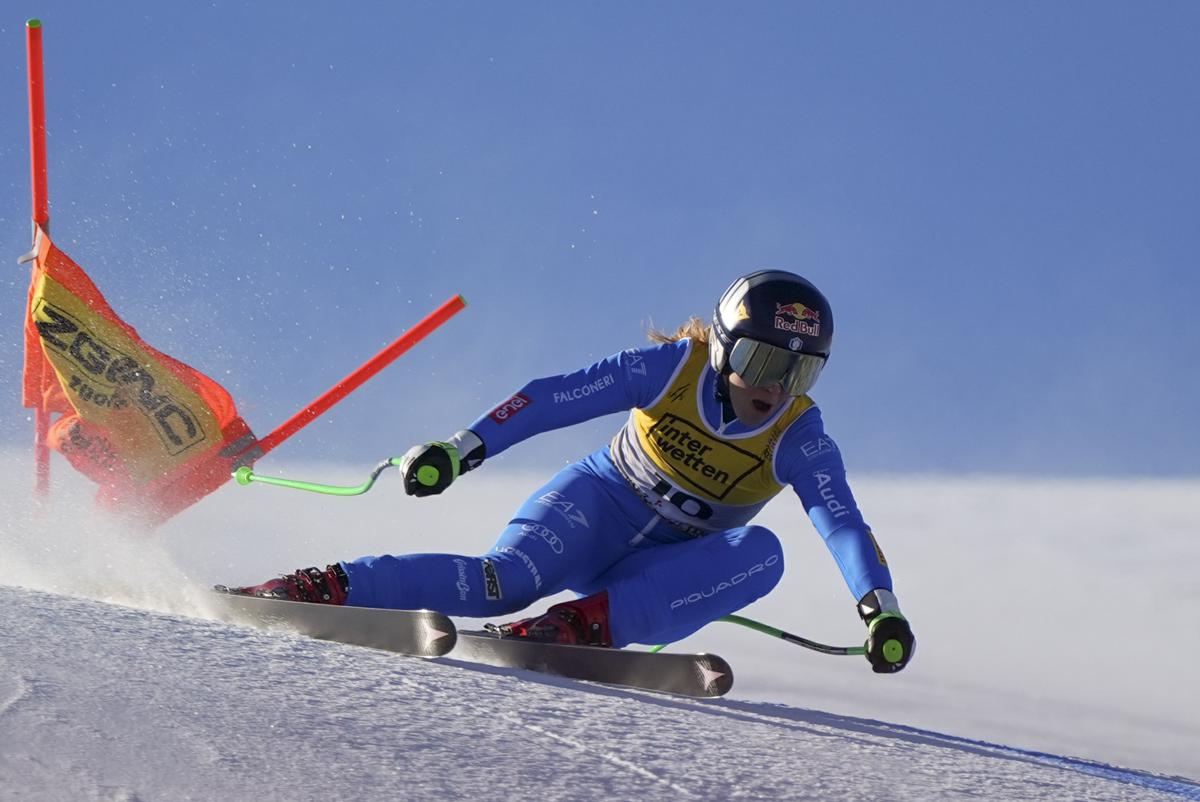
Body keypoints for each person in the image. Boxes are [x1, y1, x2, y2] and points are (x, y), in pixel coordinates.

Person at [229, 270, 915, 673]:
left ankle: (582, 626)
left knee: (763, 555)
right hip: (597, 508)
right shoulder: (671, 368)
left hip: (656, 576)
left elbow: (842, 522)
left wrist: (879, 607)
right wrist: (458, 449)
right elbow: (550, 396)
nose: (778, 386)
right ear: (725, 347)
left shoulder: (798, 433)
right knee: (501, 582)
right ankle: (322, 586)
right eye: (767, 363)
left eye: (800, 371)